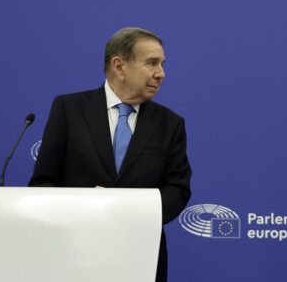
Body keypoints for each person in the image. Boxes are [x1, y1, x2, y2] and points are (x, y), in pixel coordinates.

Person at [29, 27, 192, 282]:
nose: (161, 74)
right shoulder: (68, 110)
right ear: (119, 66)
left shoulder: (170, 124)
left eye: (162, 64)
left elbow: (177, 190)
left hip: (140, 257)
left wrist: (127, 208)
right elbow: (42, 183)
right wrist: (85, 206)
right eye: (152, 63)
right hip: (74, 255)